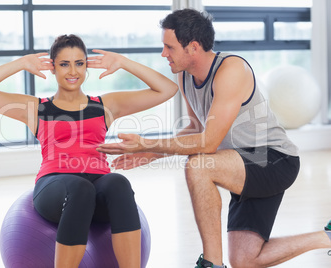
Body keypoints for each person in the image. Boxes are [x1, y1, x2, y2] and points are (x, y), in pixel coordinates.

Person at [97, 8, 331, 268]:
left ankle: (211, 264)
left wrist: (147, 143)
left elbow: (207, 144)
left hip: (273, 159)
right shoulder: (185, 76)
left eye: (169, 47)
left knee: (198, 165)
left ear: (193, 47)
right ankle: (327, 237)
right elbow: (196, 129)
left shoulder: (231, 69)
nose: (164, 54)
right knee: (245, 260)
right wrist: (151, 153)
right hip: (241, 164)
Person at [0, 34, 178, 268]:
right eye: (64, 64)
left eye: (79, 63)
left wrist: (124, 62)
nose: (72, 71)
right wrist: (21, 64)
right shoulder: (36, 109)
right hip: (54, 187)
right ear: (53, 67)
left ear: (87, 66)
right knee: (80, 188)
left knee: (118, 182)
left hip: (98, 187)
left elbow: (167, 89)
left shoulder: (104, 105)